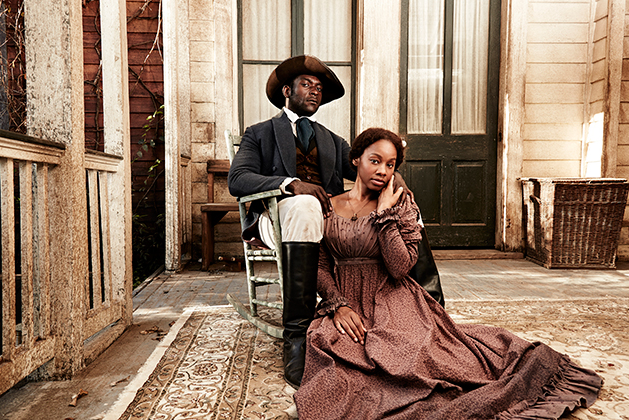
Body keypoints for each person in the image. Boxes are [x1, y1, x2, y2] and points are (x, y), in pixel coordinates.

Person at [293, 127, 602, 419]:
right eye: (375, 161)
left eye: (390, 164)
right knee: (330, 351)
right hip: (347, 300)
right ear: (355, 160)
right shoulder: (327, 206)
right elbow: (320, 265)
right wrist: (338, 305)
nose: (383, 171)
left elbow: (400, 268)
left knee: (412, 356)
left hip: (392, 297)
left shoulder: (400, 205)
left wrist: (384, 215)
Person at [228, 55, 357, 388]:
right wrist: (290, 183)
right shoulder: (259, 133)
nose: (314, 91)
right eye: (306, 84)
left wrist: (391, 169)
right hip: (278, 218)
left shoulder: (333, 140)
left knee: (396, 200)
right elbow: (238, 179)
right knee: (304, 205)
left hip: (328, 223)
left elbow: (363, 170)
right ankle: (296, 336)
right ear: (287, 90)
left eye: (319, 88)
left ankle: (422, 308)